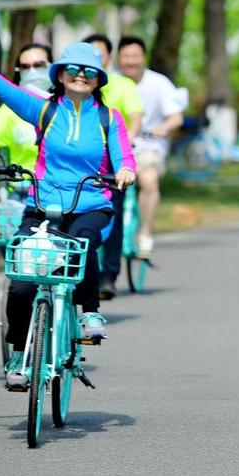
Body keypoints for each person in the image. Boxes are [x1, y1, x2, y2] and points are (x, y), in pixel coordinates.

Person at [0, 38, 136, 389]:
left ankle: (90, 311)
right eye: (73, 69)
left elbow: (124, 155)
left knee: (83, 242)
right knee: (21, 284)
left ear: (98, 79)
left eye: (89, 71)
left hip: (91, 205)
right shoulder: (44, 111)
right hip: (42, 208)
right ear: (61, 75)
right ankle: (20, 355)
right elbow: (3, 88)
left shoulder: (109, 118)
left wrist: (126, 170)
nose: (80, 75)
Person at [84, 34, 143, 299]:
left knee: (113, 214)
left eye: (100, 54)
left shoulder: (122, 86)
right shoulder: (73, 88)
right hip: (82, 164)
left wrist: (126, 142)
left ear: (109, 57)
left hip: (113, 163)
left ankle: (108, 275)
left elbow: (135, 119)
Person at [116, 36, 183, 259]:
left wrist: (163, 128)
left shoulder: (159, 83)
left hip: (147, 147)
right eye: (126, 56)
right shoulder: (110, 82)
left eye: (135, 56)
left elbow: (176, 117)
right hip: (116, 147)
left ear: (143, 57)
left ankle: (145, 233)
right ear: (118, 58)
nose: (131, 61)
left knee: (149, 179)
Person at [0, 43, 53, 171]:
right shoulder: (11, 110)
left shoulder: (65, 106)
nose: (32, 72)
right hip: (24, 181)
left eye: (39, 65)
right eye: (25, 67)